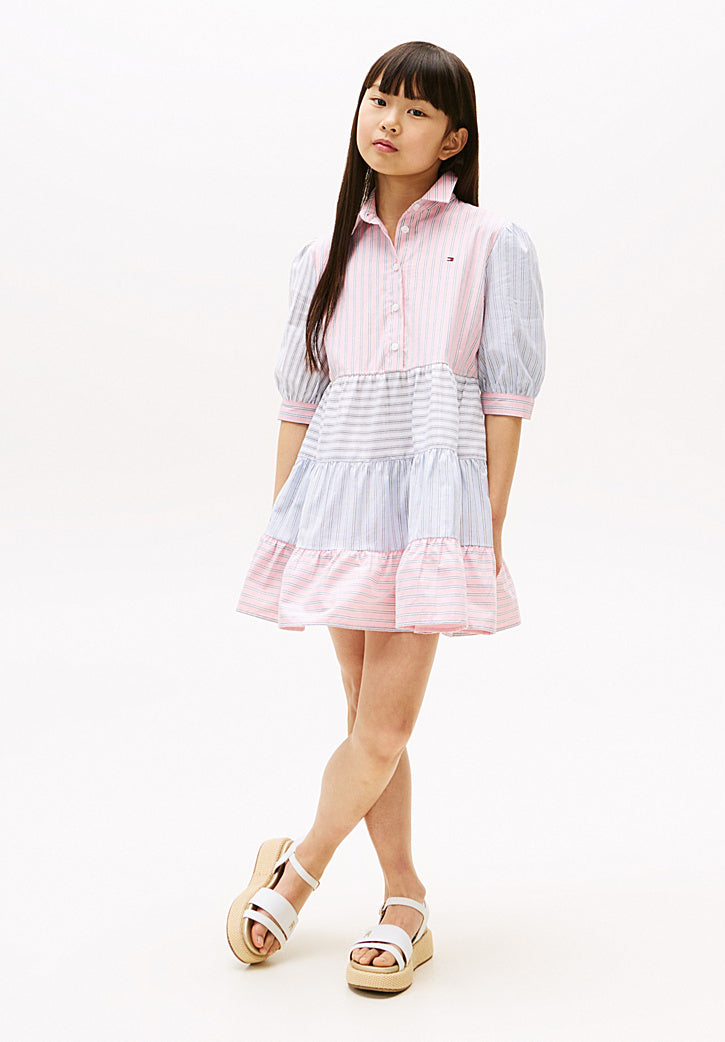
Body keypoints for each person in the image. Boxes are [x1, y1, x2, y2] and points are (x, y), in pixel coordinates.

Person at [226, 39, 546, 993]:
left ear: (452, 139)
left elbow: (506, 396)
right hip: (334, 499)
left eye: (414, 110)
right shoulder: (322, 254)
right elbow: (299, 401)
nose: (388, 121)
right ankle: (404, 897)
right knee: (368, 718)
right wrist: (286, 526)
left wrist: (486, 527)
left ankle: (296, 871)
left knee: (381, 727)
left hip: (432, 508)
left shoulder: (491, 242)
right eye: (377, 100)